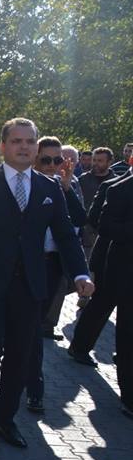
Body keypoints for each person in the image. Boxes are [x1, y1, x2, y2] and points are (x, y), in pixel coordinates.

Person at [0, 117, 93, 454]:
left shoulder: (49, 188)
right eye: (16, 141)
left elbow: (66, 235)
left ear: (36, 147)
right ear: (3, 146)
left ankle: (5, 419)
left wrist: (81, 274)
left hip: (31, 287)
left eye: (29, 141)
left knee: (20, 356)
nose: (24, 147)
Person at [24, 137, 86, 413]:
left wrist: (66, 187)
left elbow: (80, 220)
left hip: (51, 266)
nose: (52, 165)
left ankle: (31, 384)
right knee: (25, 328)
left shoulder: (67, 185)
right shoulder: (25, 184)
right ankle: (28, 382)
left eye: (57, 160)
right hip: (24, 265)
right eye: (46, 159)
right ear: (35, 158)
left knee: (34, 328)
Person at [68, 164, 131, 366]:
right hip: (108, 258)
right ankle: (79, 347)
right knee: (100, 305)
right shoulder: (112, 186)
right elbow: (95, 219)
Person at [96, 173, 133, 416]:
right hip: (127, 276)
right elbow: (104, 226)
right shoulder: (119, 190)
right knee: (128, 337)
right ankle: (129, 397)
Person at [79, 147, 115, 256]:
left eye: (100, 161)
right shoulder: (82, 180)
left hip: (110, 232)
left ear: (109, 162)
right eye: (94, 160)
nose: (95, 163)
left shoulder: (117, 182)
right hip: (87, 233)